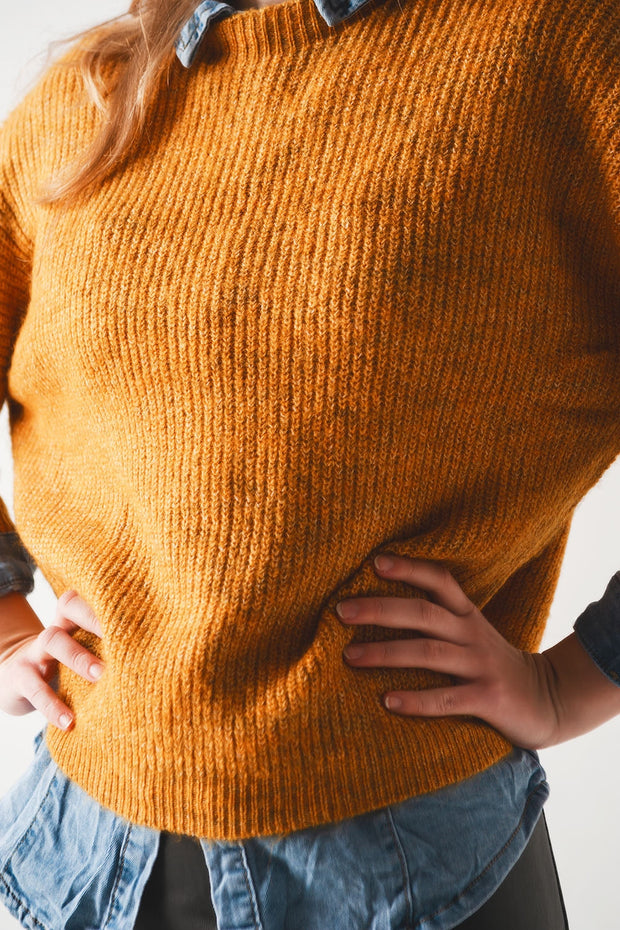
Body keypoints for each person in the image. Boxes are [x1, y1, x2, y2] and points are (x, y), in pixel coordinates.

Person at [0, 0, 618, 926]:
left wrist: (574, 682)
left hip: (416, 872)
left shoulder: (554, 48)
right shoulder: (91, 93)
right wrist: (10, 625)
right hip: (90, 857)